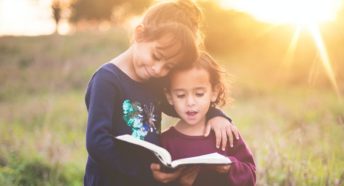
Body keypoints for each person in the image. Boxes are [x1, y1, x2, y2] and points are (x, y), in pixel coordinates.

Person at [83, 1, 239, 185]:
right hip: (110, 180)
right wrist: (145, 172)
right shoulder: (107, 80)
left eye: (169, 66)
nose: (158, 69)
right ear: (139, 34)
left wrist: (215, 114)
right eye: (156, 56)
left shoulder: (153, 80)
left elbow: (182, 107)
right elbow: (97, 143)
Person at [157, 52, 256, 186]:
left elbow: (250, 175)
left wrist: (230, 167)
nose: (190, 102)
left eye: (199, 94)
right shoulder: (165, 142)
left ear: (214, 92)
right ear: (169, 97)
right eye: (180, 95)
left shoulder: (225, 132)